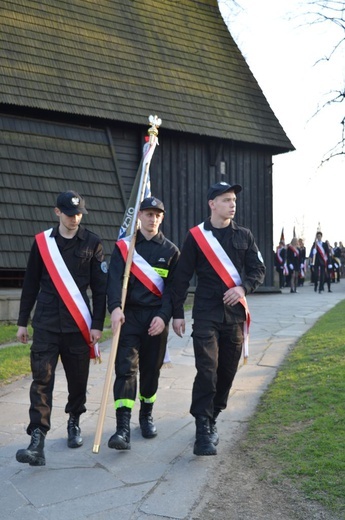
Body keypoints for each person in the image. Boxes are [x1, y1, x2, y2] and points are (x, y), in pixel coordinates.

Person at [171, 182, 266, 456]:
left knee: (227, 371)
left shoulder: (245, 236)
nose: (232, 204)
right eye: (226, 200)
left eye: (234, 199)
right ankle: (202, 427)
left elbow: (258, 269)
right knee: (207, 369)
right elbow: (181, 278)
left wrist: (242, 288)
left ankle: (213, 417)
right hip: (206, 313)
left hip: (234, 315)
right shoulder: (196, 237)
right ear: (212, 204)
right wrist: (177, 313)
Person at [15, 191, 108, 466]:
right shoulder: (43, 243)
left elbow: (100, 289)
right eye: (69, 214)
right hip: (45, 324)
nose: (74, 218)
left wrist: (97, 326)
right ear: (57, 212)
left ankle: (74, 420)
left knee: (78, 381)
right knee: (41, 380)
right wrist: (22, 322)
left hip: (78, 327)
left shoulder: (93, 243)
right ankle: (38, 438)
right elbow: (30, 283)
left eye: (79, 214)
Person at [107, 196, 179, 450]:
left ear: (162, 217)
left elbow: (173, 291)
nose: (153, 218)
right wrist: (115, 308)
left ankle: (146, 415)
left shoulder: (171, 251)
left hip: (156, 318)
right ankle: (122, 427)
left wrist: (164, 316)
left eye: (157, 214)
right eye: (148, 214)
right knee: (125, 370)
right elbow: (114, 281)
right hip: (129, 318)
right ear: (139, 215)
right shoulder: (124, 248)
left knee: (151, 371)